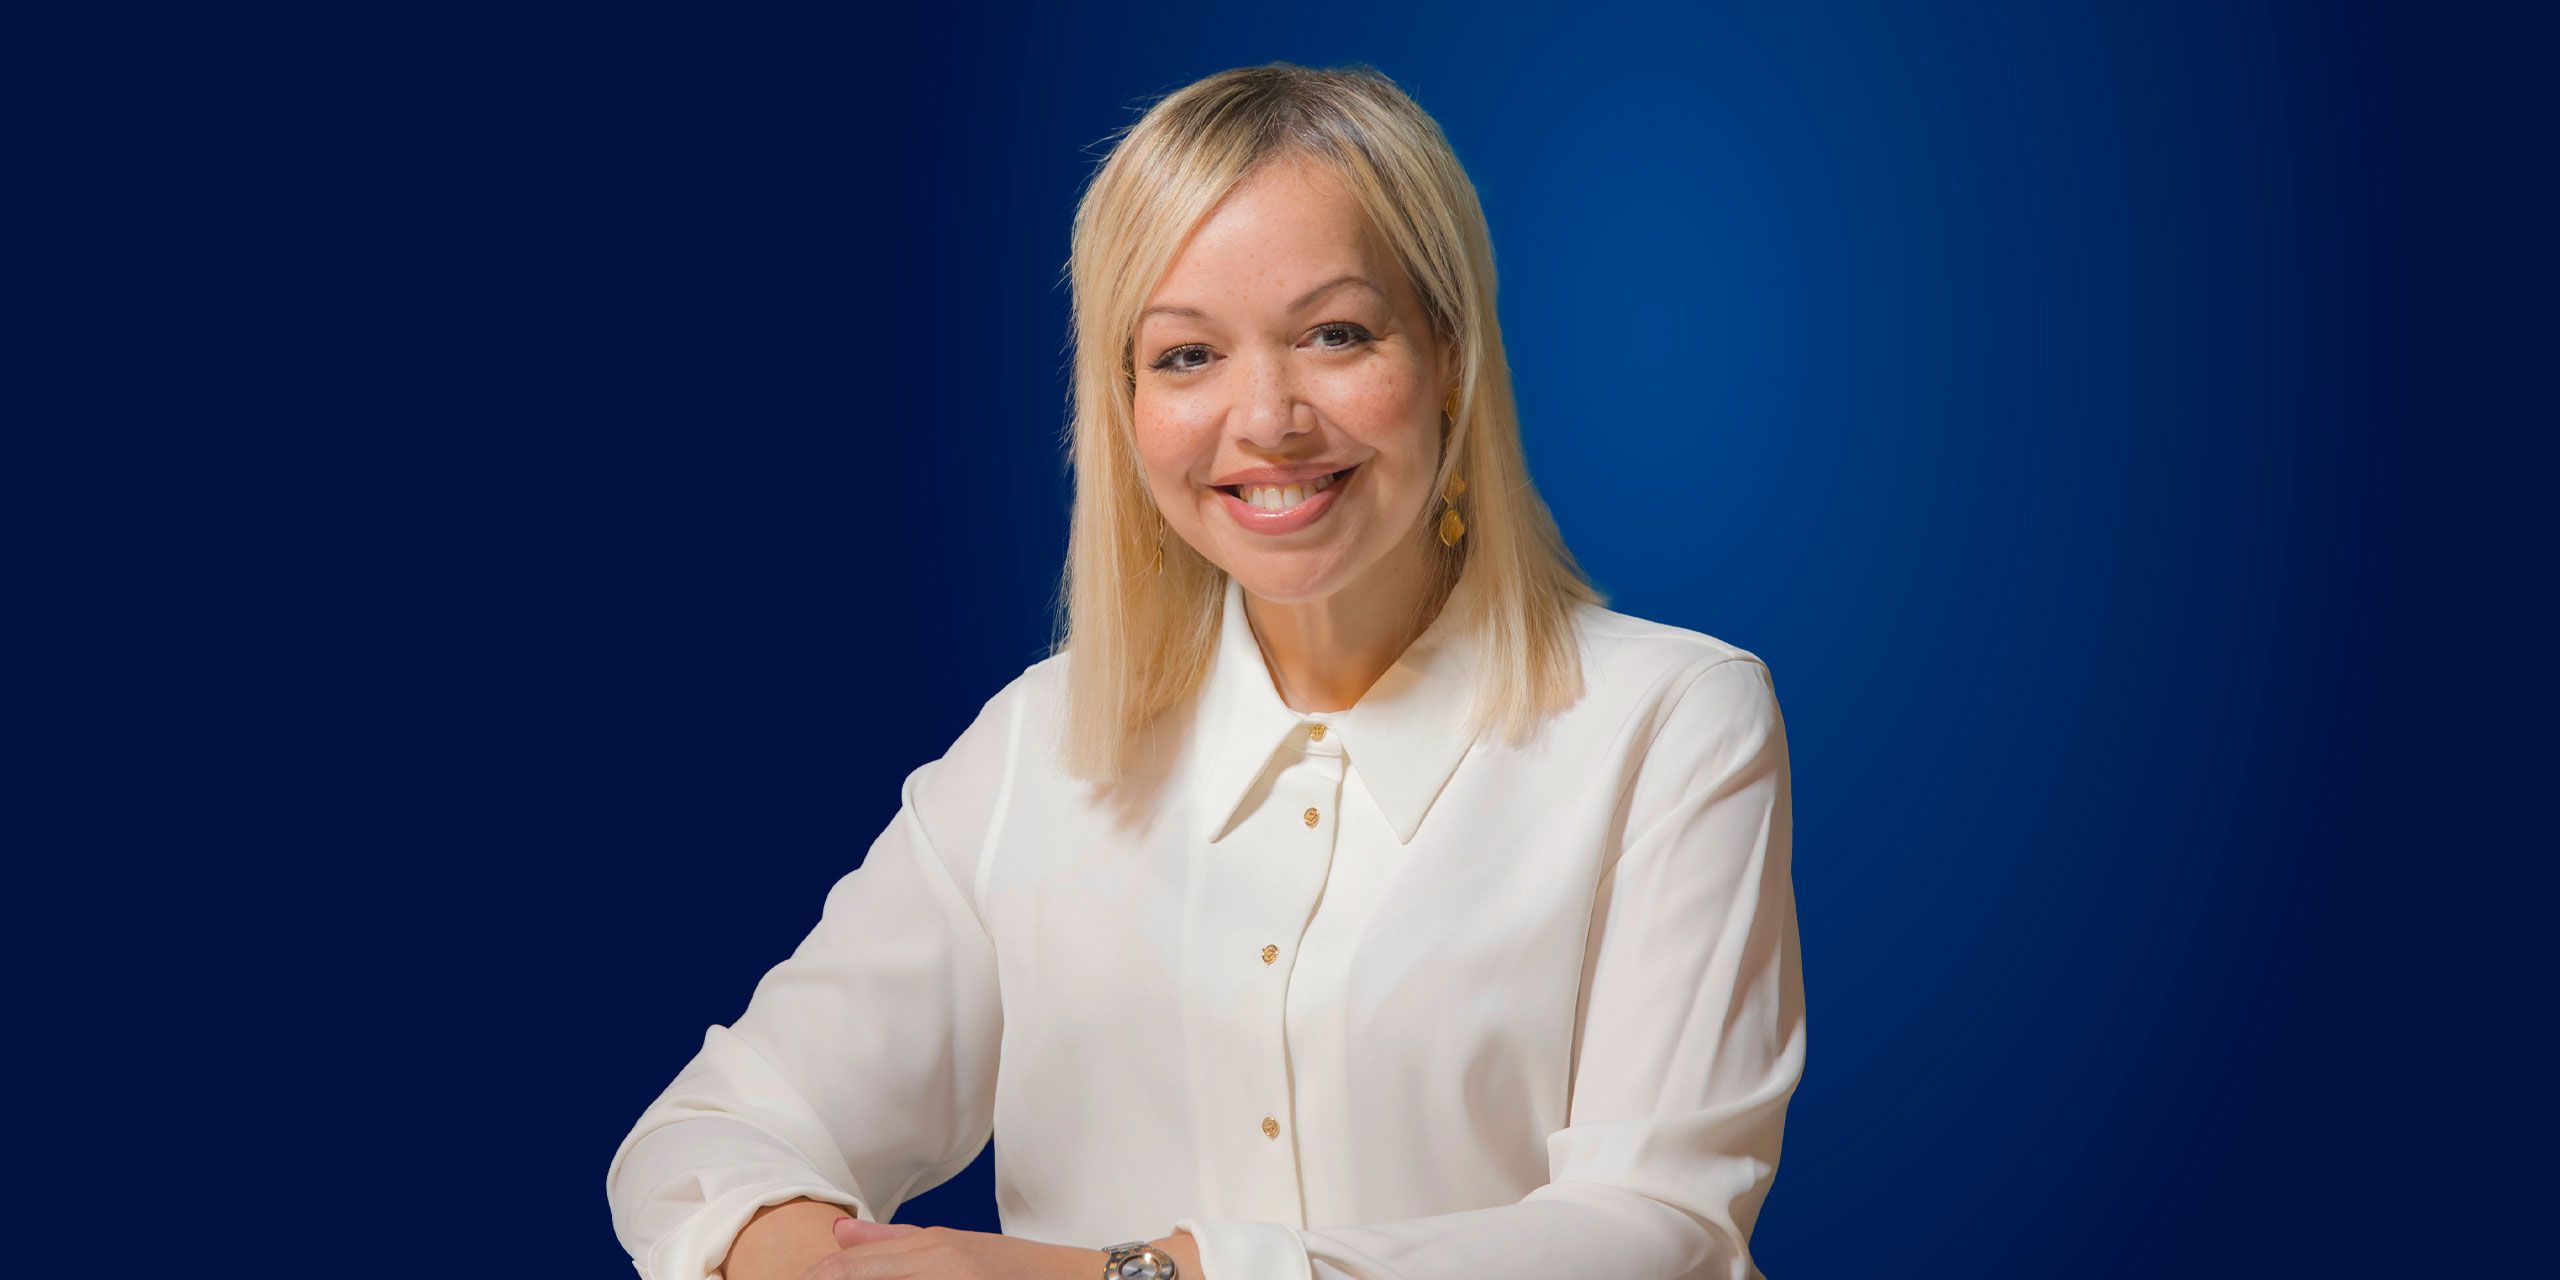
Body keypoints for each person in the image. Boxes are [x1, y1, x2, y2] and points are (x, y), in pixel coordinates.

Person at [605, 61, 1804, 1280]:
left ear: (1449, 354)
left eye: (1335, 334)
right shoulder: (1033, 747)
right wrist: (824, 1264)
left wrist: (1131, 1274)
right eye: (1186, 355)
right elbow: (704, 1141)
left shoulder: (1669, 719)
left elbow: (1656, 1228)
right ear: (1122, 397)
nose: (1268, 417)